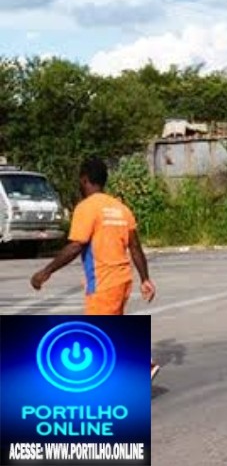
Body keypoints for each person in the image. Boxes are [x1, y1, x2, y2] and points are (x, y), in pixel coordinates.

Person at [30, 158, 160, 381]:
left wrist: (46, 271)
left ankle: (141, 368)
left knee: (95, 336)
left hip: (103, 283)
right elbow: (135, 247)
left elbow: (75, 246)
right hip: (122, 282)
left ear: (84, 180)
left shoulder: (87, 208)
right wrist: (145, 279)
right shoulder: (120, 208)